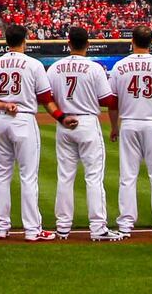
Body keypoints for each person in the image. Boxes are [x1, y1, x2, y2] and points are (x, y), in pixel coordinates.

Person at [0, 23, 74, 241]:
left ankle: (1, 228)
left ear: (6, 41)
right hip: (23, 120)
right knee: (28, 176)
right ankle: (32, 230)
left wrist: (3, 105)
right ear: (24, 40)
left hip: (0, 120)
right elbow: (46, 99)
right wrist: (61, 117)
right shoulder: (33, 65)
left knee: (1, 176)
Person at [108, 25, 152, 239]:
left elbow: (112, 103)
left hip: (129, 123)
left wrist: (114, 127)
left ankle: (126, 225)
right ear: (151, 42)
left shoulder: (120, 66)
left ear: (133, 41)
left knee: (128, 176)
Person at [48, 26, 121, 241]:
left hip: (64, 122)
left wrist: (60, 115)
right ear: (87, 45)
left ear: (68, 43)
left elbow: (47, 98)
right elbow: (108, 100)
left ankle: (62, 227)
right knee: (94, 177)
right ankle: (98, 228)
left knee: (65, 176)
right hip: (87, 122)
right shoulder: (95, 68)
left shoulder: (54, 68)